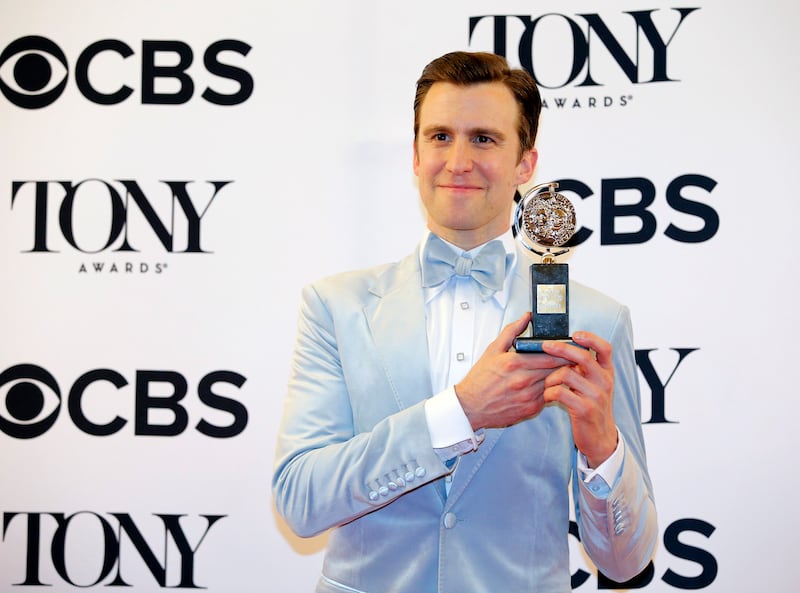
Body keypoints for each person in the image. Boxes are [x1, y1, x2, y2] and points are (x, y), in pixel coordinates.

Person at [272, 51, 657, 593]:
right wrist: (461, 412)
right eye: (439, 136)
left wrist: (602, 448)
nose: (457, 161)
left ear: (526, 163)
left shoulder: (592, 319)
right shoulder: (336, 306)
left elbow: (626, 563)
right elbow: (301, 500)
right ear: (414, 154)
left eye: (483, 138)